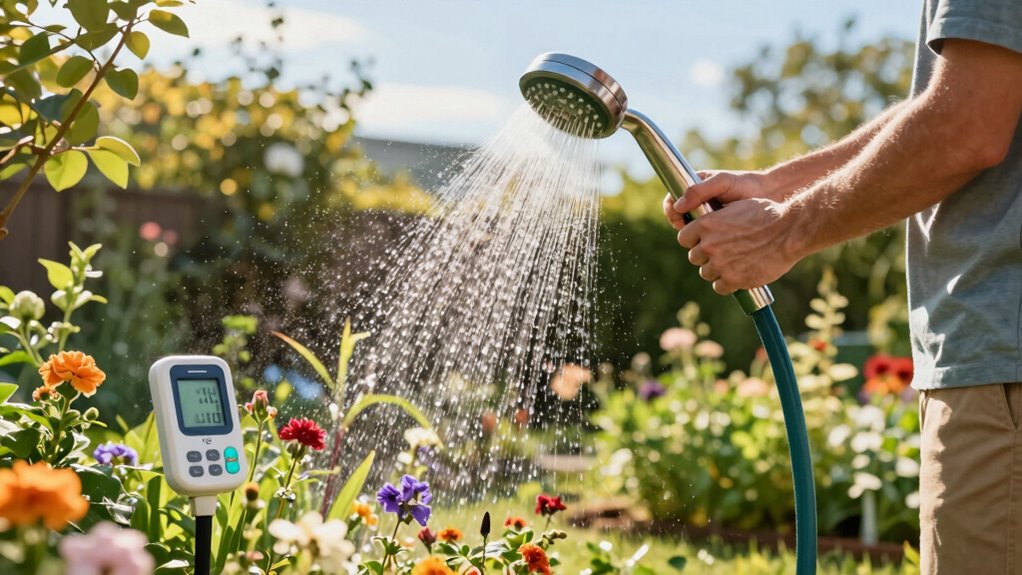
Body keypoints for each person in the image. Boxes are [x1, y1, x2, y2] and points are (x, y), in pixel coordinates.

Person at [662, 1, 1022, 573]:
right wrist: (775, 188)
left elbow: (966, 123)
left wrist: (783, 232)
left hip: (1005, 362)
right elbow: (945, 103)